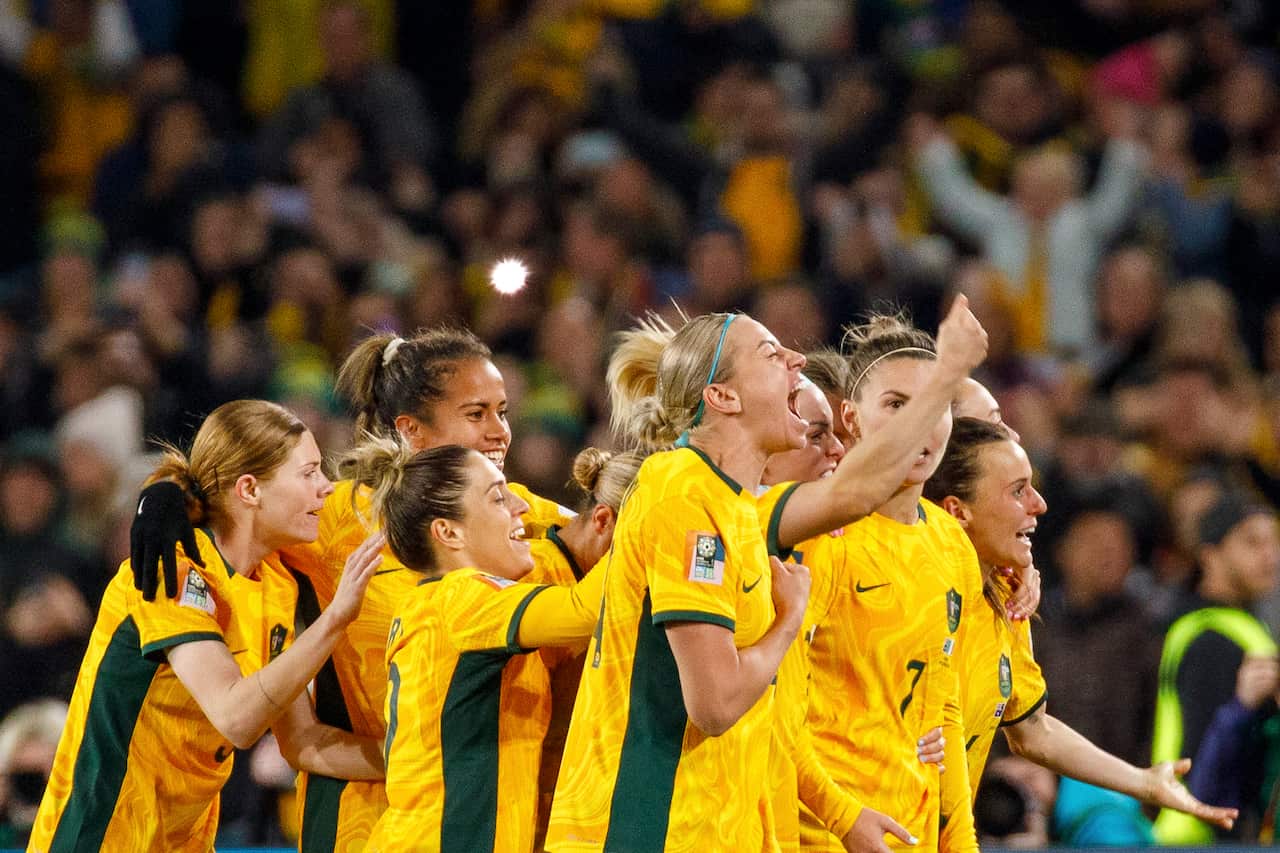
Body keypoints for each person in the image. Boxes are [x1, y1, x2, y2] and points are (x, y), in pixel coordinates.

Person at [547, 297, 987, 851]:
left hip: (716, 827)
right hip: (643, 827)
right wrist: (788, 621)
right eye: (771, 353)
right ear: (723, 395)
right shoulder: (682, 492)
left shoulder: (737, 509)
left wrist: (843, 813)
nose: (798, 361)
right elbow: (715, 705)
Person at [128, 327, 577, 851]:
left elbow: (611, 533)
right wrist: (164, 493)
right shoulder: (336, 518)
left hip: (494, 814)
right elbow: (235, 503)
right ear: (412, 430)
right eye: (477, 414)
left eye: (503, 411)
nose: (500, 430)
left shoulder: (516, 510)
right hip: (358, 819)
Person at [29, 399, 384, 851]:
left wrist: (414, 756)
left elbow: (305, 742)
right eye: (309, 472)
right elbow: (236, 717)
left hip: (186, 840)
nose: (327, 488)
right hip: (102, 836)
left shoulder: (277, 581)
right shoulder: (168, 569)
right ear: (250, 489)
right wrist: (335, 619)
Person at [922, 417, 1238, 840]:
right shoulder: (903, 597)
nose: (1039, 504)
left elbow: (1033, 731)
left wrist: (1144, 782)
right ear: (956, 512)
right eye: (1018, 491)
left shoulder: (1007, 605)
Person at [771, 315, 984, 853]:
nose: (920, 425)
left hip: (905, 833)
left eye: (935, 406)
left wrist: (960, 841)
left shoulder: (952, 545)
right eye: (896, 405)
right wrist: (842, 818)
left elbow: (944, 707)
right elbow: (771, 704)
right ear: (852, 417)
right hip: (815, 833)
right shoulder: (821, 537)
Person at [339, 440, 606, 852]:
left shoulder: (440, 603)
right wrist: (651, 520)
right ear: (448, 532)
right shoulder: (460, 599)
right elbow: (584, 610)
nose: (521, 505)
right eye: (498, 497)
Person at [1150, 491, 1280, 844]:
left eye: (1273, 542)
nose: (1270, 556)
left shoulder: (1231, 627)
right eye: (1252, 542)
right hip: (1202, 836)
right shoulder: (1211, 637)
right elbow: (1203, 765)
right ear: (1210, 555)